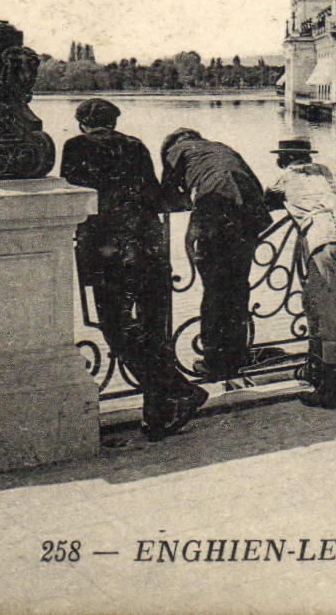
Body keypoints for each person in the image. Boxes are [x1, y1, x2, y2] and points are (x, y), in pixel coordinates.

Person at [60, 100, 206, 441]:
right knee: (153, 332)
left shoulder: (75, 147)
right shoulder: (136, 146)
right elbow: (154, 195)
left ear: (82, 123)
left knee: (116, 329)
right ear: (114, 122)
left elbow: (74, 197)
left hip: (108, 253)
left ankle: (179, 391)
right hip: (150, 249)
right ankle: (158, 416)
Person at [160, 128, 279, 380]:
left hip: (217, 206)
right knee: (237, 285)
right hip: (249, 210)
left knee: (215, 288)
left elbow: (167, 195)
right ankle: (236, 354)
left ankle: (214, 361)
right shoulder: (221, 147)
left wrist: (188, 201)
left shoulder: (177, 151)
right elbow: (254, 183)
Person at [266, 137, 336, 409]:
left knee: (328, 312)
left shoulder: (284, 177)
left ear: (283, 159)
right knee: (314, 301)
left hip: (323, 239)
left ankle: (330, 388)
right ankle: (316, 369)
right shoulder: (324, 171)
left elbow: (265, 199)